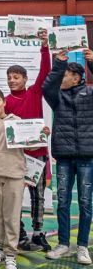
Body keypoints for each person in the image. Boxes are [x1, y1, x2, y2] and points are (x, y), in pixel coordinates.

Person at [0, 88, 48, 269]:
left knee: (12, 216)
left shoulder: (16, 122)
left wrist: (42, 135)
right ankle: (0, 249)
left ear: (4, 101)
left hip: (15, 174)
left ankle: (10, 253)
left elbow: (30, 148)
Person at [42, 49, 93, 264]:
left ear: (77, 78)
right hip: (63, 157)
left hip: (87, 157)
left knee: (85, 202)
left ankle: (82, 246)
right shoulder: (57, 96)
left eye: (65, 75)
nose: (61, 79)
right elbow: (47, 86)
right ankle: (63, 244)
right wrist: (59, 63)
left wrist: (92, 63)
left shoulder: (90, 94)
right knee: (62, 201)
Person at [4, 31, 52, 252]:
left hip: (38, 154)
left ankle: (39, 233)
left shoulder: (34, 93)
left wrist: (44, 47)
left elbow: (46, 71)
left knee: (38, 196)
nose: (12, 80)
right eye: (9, 78)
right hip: (16, 157)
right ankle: (19, 231)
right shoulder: (4, 102)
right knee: (14, 196)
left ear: (25, 79)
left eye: (16, 77)